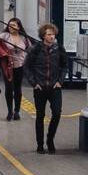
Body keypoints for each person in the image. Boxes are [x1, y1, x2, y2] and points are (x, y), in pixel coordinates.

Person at [25, 22, 66, 153]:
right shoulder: (35, 49)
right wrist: (34, 83)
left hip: (55, 86)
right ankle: (40, 144)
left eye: (53, 34)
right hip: (40, 88)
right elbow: (27, 66)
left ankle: (50, 139)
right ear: (43, 36)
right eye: (49, 34)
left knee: (57, 113)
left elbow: (64, 66)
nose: (52, 37)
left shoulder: (59, 49)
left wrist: (60, 81)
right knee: (40, 116)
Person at [0, 17, 29, 121]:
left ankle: (17, 111)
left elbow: (29, 49)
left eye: (14, 25)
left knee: (18, 89)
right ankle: (10, 111)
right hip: (7, 66)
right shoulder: (5, 35)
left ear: (18, 27)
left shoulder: (24, 38)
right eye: (9, 25)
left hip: (20, 66)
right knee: (9, 88)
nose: (11, 27)